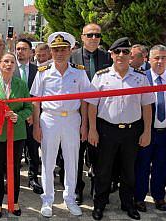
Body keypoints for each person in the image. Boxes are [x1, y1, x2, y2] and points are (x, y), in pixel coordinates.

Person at [88, 37, 155, 220]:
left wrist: (147, 131)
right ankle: (99, 205)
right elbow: (92, 106)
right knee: (103, 171)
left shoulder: (140, 78)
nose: (121, 55)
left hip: (132, 131)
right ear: (111, 54)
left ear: (130, 56)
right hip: (106, 130)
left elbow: (147, 107)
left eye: (126, 52)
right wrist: (92, 129)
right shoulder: (101, 76)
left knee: (129, 171)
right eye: (117, 52)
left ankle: (128, 204)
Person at [31, 32, 93, 218]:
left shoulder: (79, 72)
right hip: (49, 119)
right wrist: (36, 126)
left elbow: (84, 100)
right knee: (48, 161)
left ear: (70, 50)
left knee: (73, 161)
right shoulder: (43, 72)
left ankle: (70, 198)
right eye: (56, 49)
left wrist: (84, 125)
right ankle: (48, 199)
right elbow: (35, 101)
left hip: (72, 119)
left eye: (63, 49)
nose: (59, 53)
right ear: (51, 51)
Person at [0, 52, 33, 219]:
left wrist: (19, 117)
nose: (9, 65)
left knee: (14, 169)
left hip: (16, 134)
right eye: (5, 61)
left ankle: (14, 202)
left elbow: (28, 108)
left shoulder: (22, 84)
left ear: (15, 66)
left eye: (12, 62)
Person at [69, 23, 113, 204]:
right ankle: (77, 189)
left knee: (99, 156)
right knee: (76, 156)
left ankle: (98, 189)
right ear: (82, 37)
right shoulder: (72, 57)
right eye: (90, 35)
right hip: (76, 113)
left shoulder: (107, 57)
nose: (94, 38)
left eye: (97, 35)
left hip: (100, 113)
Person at [134, 45, 166, 212]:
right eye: (156, 58)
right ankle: (139, 198)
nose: (160, 61)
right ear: (148, 59)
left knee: (162, 166)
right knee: (142, 166)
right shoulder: (141, 78)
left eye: (163, 58)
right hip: (146, 131)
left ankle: (159, 197)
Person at [14, 38, 43, 195]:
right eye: (18, 49)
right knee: (15, 150)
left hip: (33, 117)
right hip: (15, 117)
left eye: (24, 49)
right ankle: (13, 179)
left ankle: (33, 178)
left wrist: (31, 114)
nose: (20, 52)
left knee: (33, 149)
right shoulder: (10, 69)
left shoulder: (38, 71)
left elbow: (38, 96)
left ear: (31, 52)